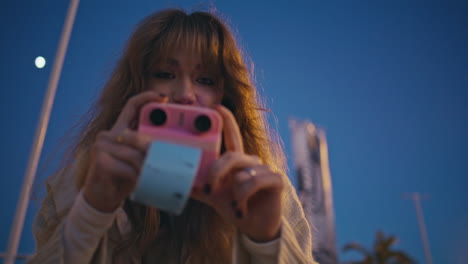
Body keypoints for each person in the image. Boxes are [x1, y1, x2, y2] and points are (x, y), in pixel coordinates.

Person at [28, 8, 316, 264]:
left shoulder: (262, 194)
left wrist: (267, 241)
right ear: (136, 88)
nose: (185, 95)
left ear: (226, 98)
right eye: (165, 74)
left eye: (205, 80)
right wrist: (91, 213)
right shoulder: (79, 184)